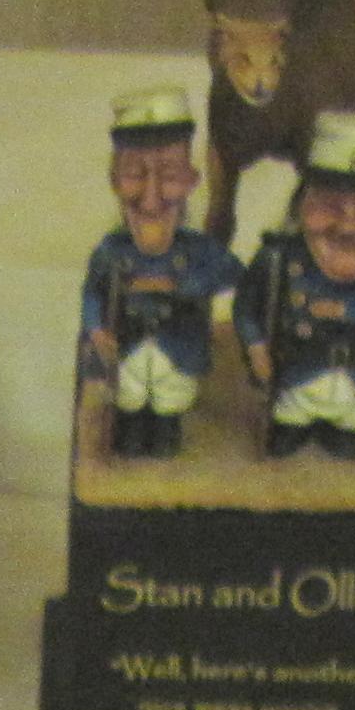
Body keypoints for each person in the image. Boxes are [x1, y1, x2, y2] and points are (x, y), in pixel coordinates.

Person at [236, 112, 355, 460]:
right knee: (290, 415)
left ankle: (343, 432)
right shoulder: (280, 255)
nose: (348, 228)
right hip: (295, 374)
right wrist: (256, 348)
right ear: (302, 205)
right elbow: (247, 304)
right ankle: (292, 429)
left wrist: (347, 309)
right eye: (329, 206)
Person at [81, 88, 241, 460]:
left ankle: (166, 433)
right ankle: (130, 431)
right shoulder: (111, 251)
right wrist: (97, 329)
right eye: (134, 174)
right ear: (114, 180)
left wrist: (191, 287)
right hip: (128, 351)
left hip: (179, 350)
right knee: (129, 396)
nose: (151, 200)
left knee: (170, 398)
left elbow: (238, 277)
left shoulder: (199, 251)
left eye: (168, 175)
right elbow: (93, 293)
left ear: (191, 180)